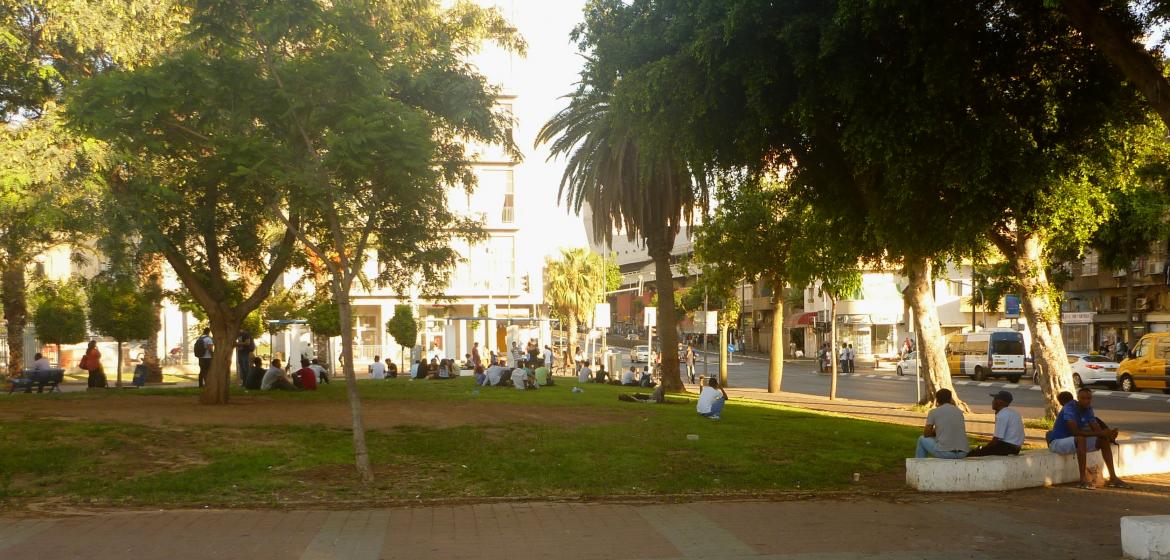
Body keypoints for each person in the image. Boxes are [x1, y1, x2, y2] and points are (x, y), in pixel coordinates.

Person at [1047, 387, 1132, 489]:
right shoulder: (1069, 407)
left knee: (1103, 440)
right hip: (1057, 442)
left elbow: (1096, 429)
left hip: (1073, 441)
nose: (1086, 401)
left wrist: (1108, 434)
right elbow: (1075, 432)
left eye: (1088, 398)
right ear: (1078, 398)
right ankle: (1083, 480)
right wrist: (1100, 433)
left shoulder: (1088, 409)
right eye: (1083, 398)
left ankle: (1113, 478)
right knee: (1081, 438)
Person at [967, 391, 1024, 457]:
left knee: (973, 454)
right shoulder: (1014, 413)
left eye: (995, 399)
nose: (992, 402)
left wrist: (984, 448)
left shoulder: (1002, 415)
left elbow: (996, 440)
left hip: (1007, 448)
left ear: (1000, 402)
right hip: (1016, 448)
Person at [915, 389, 969, 459]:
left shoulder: (933, 412)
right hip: (963, 453)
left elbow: (926, 434)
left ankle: (919, 464)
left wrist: (935, 431)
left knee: (921, 439)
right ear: (950, 399)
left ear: (937, 400)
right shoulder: (959, 412)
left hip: (945, 453)